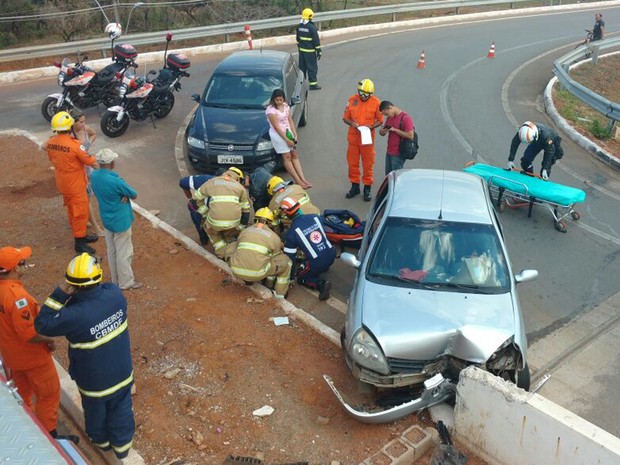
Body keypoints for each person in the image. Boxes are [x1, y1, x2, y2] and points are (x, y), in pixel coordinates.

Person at [35, 253, 135, 460]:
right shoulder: (115, 295)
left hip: (94, 382)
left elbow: (42, 324)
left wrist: (60, 294)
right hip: (123, 373)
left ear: (72, 283)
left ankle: (102, 443)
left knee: (96, 414)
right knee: (122, 409)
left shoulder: (72, 316)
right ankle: (122, 448)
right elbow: (105, 288)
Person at [0, 246, 75, 442]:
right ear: (15, 268)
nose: (25, 265)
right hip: (33, 358)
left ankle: (29, 429)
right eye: (22, 262)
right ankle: (51, 436)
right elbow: (28, 334)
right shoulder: (18, 298)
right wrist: (49, 339)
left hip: (11, 357)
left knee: (22, 397)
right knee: (48, 395)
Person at [44, 111, 99, 254]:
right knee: (80, 213)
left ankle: (81, 235)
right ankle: (79, 243)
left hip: (63, 182)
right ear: (70, 126)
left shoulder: (51, 142)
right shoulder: (75, 145)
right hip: (76, 184)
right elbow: (90, 161)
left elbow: (48, 152)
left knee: (71, 210)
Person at [90, 148, 141, 291]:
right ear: (112, 163)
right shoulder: (115, 181)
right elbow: (133, 193)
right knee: (124, 253)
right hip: (120, 220)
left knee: (112, 250)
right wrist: (123, 195)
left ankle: (115, 279)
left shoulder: (94, 176)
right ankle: (126, 282)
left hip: (107, 218)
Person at [226, 208, 291, 299]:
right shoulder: (274, 237)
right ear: (270, 222)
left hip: (236, 269)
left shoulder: (245, 232)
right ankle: (280, 295)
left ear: (255, 219)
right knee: (286, 263)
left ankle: (247, 279)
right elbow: (275, 258)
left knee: (233, 246)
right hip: (257, 273)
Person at [280, 198, 336, 301]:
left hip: (318, 262)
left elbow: (290, 260)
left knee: (301, 277)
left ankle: (320, 284)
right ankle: (324, 267)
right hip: (332, 253)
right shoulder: (315, 217)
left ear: (286, 212)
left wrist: (291, 278)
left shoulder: (292, 233)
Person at [192, 167, 251, 258]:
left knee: (210, 230)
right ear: (238, 178)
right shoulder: (240, 187)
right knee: (230, 232)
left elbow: (196, 197)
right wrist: (240, 227)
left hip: (214, 222)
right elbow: (246, 210)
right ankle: (232, 244)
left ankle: (222, 254)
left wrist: (205, 213)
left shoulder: (211, 182)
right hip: (233, 223)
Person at [342, 79, 384, 201]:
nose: (363, 96)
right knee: (352, 164)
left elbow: (380, 120)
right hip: (353, 138)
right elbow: (345, 118)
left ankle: (367, 188)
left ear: (371, 94)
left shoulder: (376, 103)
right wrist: (352, 123)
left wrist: (371, 127)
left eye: (366, 94)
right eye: (361, 93)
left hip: (367, 139)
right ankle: (355, 186)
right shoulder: (351, 100)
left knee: (368, 164)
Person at [266, 89, 312, 189]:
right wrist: (287, 140)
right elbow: (276, 127)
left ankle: (303, 179)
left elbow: (290, 120)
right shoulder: (271, 110)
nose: (279, 102)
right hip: (278, 135)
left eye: (280, 100)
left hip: (288, 132)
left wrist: (295, 134)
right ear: (273, 100)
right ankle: (298, 181)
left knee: (294, 155)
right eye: (277, 100)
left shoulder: (286, 106)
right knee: (287, 157)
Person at [70, 108, 104, 238]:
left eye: (84, 121)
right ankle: (96, 227)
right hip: (78, 169)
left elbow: (93, 134)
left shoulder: (85, 129)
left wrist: (88, 145)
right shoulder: (70, 135)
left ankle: (86, 219)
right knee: (86, 198)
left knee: (88, 197)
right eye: (81, 122)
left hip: (87, 166)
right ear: (73, 123)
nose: (83, 124)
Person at [378, 101, 415, 175]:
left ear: (390, 108)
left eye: (387, 114)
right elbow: (382, 133)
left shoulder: (405, 118)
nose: (387, 116)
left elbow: (411, 136)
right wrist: (382, 131)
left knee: (396, 178)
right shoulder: (389, 118)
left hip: (398, 154)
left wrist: (395, 130)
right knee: (389, 177)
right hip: (389, 152)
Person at [179, 174, 214, 246]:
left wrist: (189, 196)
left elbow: (183, 182)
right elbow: (183, 182)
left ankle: (204, 239)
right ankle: (205, 238)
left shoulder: (205, 179)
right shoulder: (236, 188)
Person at [296, 7, 322, 90]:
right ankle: (313, 84)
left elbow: (298, 39)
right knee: (312, 68)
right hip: (310, 52)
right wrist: (319, 51)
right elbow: (316, 40)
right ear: (310, 16)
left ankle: (300, 85)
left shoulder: (299, 26)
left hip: (302, 51)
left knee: (302, 68)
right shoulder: (312, 27)